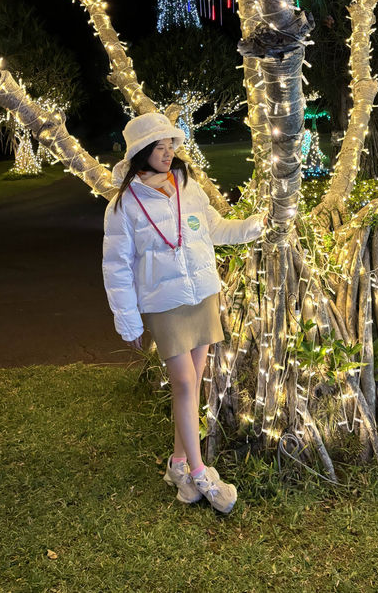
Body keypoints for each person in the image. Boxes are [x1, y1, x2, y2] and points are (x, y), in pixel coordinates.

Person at [102, 113, 265, 514]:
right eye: (159, 148)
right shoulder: (124, 204)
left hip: (202, 295)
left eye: (170, 145)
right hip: (164, 303)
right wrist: (128, 319)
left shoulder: (187, 185)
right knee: (185, 384)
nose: (167, 153)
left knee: (193, 384)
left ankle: (178, 465)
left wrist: (253, 227)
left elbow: (214, 228)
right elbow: (117, 267)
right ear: (141, 152)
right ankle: (199, 472)